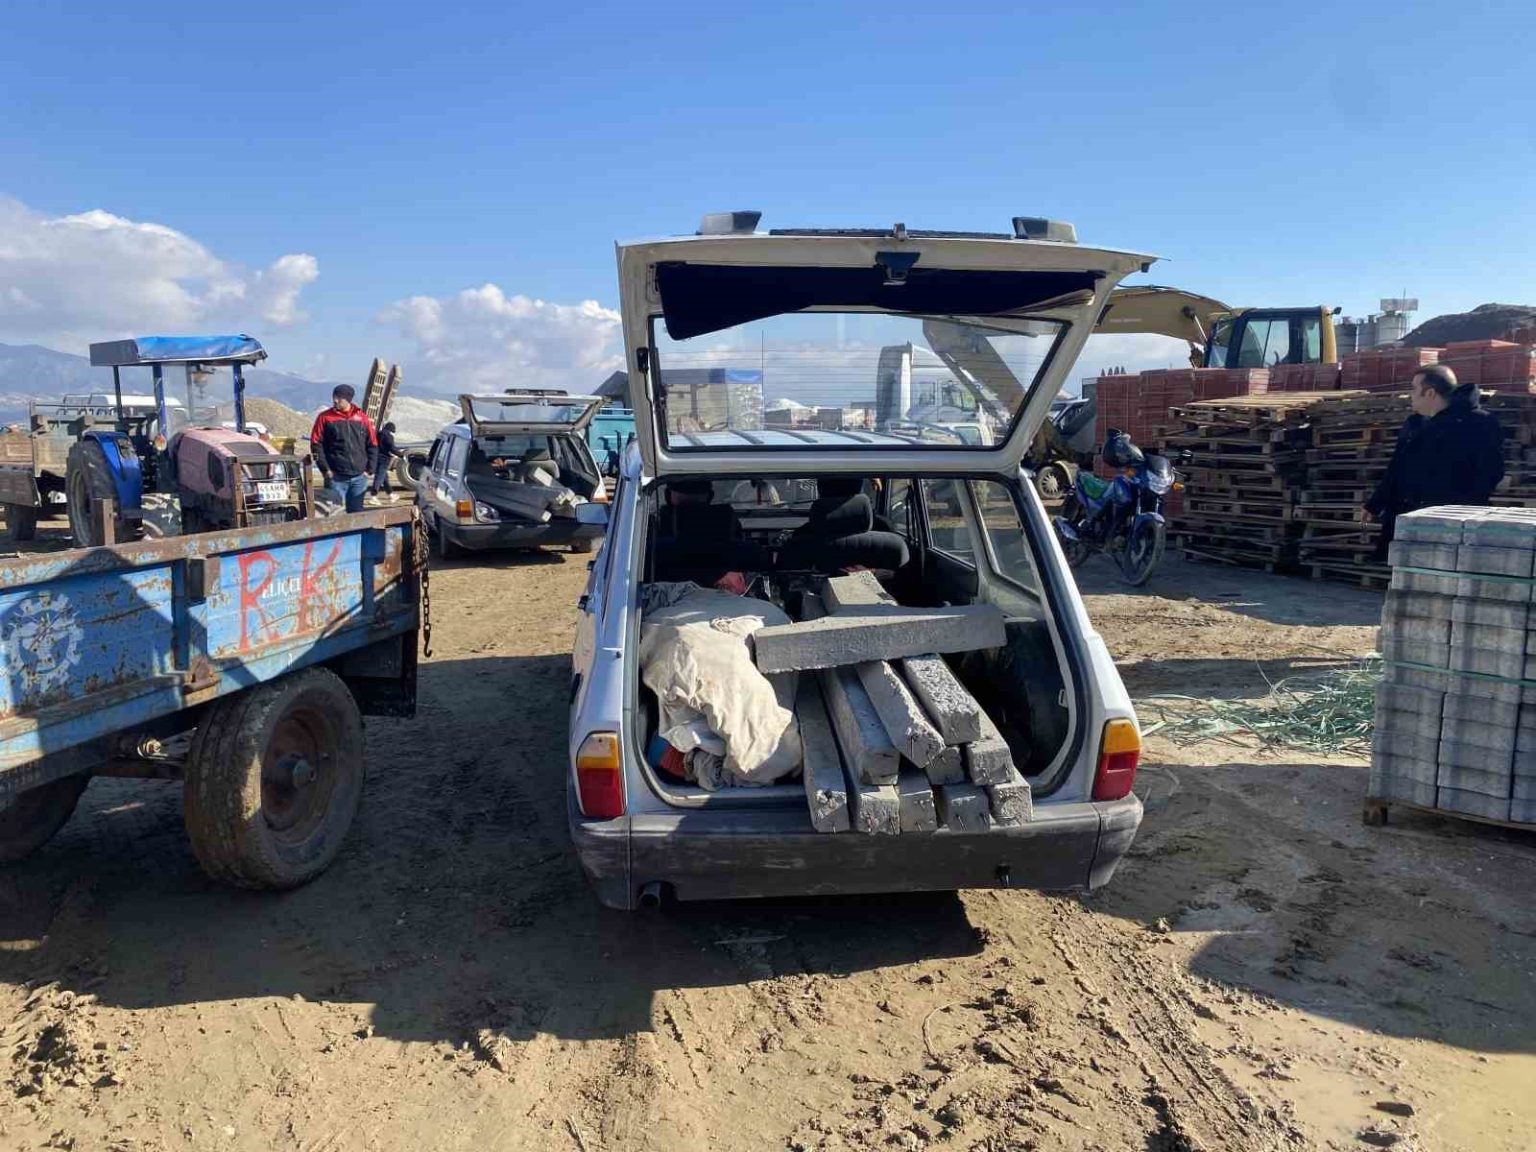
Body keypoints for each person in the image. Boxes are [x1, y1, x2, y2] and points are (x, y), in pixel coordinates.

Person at [1365, 364, 1505, 557]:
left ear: (1430, 393)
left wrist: (1459, 512)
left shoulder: (1478, 423)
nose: (1410, 395)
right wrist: (1374, 505)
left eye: (1414, 389)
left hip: (1451, 525)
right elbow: (1397, 468)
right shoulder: (1414, 424)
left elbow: (1491, 472)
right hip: (1408, 519)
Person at [309, 384, 378, 513]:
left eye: (339, 398)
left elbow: (372, 444)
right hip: (335, 477)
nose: (335, 400)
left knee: (356, 513)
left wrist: (369, 470)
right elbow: (315, 445)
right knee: (334, 514)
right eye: (334, 397)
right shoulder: (324, 418)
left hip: (359, 478)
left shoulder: (362, 418)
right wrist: (325, 470)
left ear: (348, 399)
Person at [371, 421, 399, 498]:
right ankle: (373, 495)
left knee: (384, 477)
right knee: (379, 477)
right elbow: (392, 448)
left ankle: (390, 494)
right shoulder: (389, 436)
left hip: (376, 457)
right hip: (384, 459)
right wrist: (401, 454)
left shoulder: (378, 433)